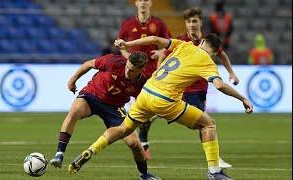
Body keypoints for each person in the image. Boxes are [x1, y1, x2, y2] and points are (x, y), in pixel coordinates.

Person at [68, 34, 253, 180]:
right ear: (214, 52)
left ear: (202, 41)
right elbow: (219, 85)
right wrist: (243, 98)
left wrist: (128, 44)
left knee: (124, 128)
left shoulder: (185, 44)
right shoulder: (208, 61)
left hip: (147, 91)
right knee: (208, 124)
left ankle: (91, 149)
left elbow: (155, 40)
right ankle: (214, 171)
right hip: (165, 99)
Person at [140, 7, 239, 167]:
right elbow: (164, 56)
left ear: (200, 22)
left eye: (194, 21)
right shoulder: (181, 40)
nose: (192, 24)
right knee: (205, 122)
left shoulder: (209, 42)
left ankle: (213, 158)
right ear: (185, 24)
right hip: (179, 88)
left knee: (202, 123)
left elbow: (222, 54)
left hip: (198, 88)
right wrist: (158, 71)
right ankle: (144, 136)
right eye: (188, 21)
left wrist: (231, 73)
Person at [49, 52, 160, 180]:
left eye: (132, 71)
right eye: (127, 67)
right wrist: (73, 80)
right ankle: (59, 154)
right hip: (92, 95)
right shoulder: (113, 61)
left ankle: (144, 175)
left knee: (134, 143)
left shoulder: (143, 83)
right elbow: (88, 64)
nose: (128, 72)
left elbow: (144, 102)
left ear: (141, 69)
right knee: (74, 111)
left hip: (114, 108)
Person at [117, 0, 171, 159]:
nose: (143, 3)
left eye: (146, 0)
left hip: (154, 74)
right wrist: (129, 59)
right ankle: (140, 141)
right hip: (135, 75)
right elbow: (122, 48)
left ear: (151, 3)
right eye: (140, 0)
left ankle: (141, 139)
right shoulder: (127, 24)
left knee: (152, 110)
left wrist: (161, 53)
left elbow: (168, 45)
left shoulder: (159, 24)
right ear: (136, 3)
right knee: (142, 110)